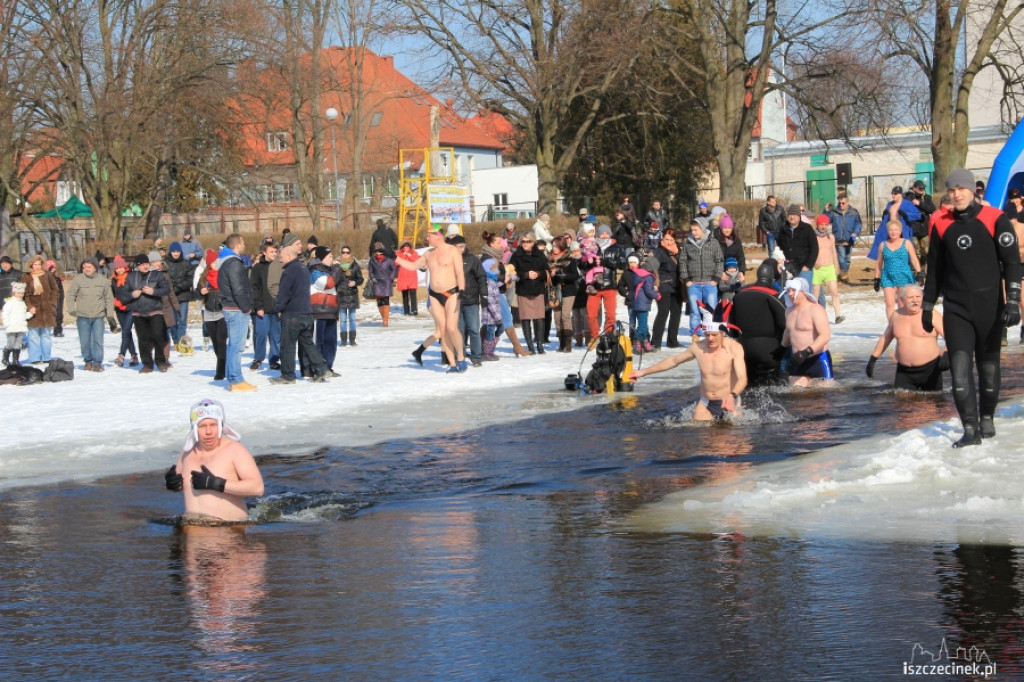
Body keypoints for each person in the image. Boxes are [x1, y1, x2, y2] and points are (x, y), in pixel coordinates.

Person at [922, 168, 1022, 447]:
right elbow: (935, 270)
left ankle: (987, 417)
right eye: (951, 190)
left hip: (990, 307)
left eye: (961, 189)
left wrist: (1013, 299)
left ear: (972, 191)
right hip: (956, 307)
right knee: (959, 368)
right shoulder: (941, 222)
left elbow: (1012, 262)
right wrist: (928, 305)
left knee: (989, 370)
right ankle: (969, 429)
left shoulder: (995, 219)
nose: (956, 195)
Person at [629, 310, 747, 421]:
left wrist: (732, 396)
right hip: (706, 403)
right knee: (700, 434)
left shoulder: (734, 348)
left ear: (722, 333)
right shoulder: (698, 347)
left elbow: (742, 379)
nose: (710, 339)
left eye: (714, 335)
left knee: (734, 436)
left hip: (729, 400)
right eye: (707, 335)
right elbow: (673, 361)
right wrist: (643, 372)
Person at [164, 399, 264, 523]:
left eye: (213, 425)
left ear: (221, 426)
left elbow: (257, 488)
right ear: (194, 428)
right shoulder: (187, 452)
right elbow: (182, 486)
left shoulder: (234, 450)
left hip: (230, 530)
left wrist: (217, 484)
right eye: (202, 426)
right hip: (192, 529)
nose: (208, 432)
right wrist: (173, 485)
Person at [396, 225, 468, 371]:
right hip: (435, 295)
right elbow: (412, 266)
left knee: (452, 328)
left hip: (452, 293)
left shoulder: (452, 250)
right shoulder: (429, 254)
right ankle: (452, 364)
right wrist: (395, 257)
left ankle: (460, 357)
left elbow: (460, 272)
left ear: (438, 235)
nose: (427, 238)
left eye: (429, 236)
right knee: (443, 330)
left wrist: (462, 290)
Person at [271, 238, 331, 384]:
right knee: (307, 343)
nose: (280, 259)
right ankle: (322, 369)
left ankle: (287, 375)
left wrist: (279, 308)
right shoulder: (304, 268)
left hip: (292, 314)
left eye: (282, 256)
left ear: (289, 256)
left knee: (287, 344)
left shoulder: (289, 271)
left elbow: (284, 293)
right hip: (306, 312)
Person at [866, 284, 947, 391]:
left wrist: (947, 354)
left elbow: (950, 337)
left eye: (918, 297)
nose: (915, 300)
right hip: (904, 372)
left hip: (930, 370)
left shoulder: (931, 314)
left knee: (930, 403)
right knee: (902, 404)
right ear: (902, 300)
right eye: (910, 298)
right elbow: (886, 337)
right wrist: (873, 358)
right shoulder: (896, 315)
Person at [730, 259, 787, 386]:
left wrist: (736, 340)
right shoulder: (773, 295)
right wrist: (783, 347)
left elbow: (731, 323)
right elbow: (784, 325)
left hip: (744, 347)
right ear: (771, 278)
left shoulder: (739, 294)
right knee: (772, 387)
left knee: (749, 386)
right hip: (768, 348)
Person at [215, 234, 257, 392]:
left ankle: (232, 377)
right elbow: (238, 288)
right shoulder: (233, 263)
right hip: (236, 308)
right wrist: (246, 307)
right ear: (238, 245)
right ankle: (236, 379)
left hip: (232, 307)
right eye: (243, 242)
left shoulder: (227, 262)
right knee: (237, 346)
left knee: (233, 345)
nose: (245, 244)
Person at [117, 253, 171, 373]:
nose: (145, 266)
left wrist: (154, 291)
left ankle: (161, 361)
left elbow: (166, 290)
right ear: (137, 266)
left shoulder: (157, 275)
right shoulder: (131, 277)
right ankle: (147, 364)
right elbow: (123, 295)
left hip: (155, 310)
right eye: (142, 265)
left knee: (158, 336)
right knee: (143, 339)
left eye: (146, 264)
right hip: (138, 312)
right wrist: (132, 294)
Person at [65, 257, 116, 371]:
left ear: (95, 267)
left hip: (98, 316)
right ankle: (88, 361)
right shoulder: (78, 279)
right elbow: (70, 295)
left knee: (98, 340)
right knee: (85, 341)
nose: (86, 269)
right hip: (83, 316)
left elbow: (109, 298)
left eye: (89, 267)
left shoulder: (102, 280)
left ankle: (97, 363)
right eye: (84, 267)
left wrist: (110, 315)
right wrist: (72, 309)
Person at [782, 278, 833, 387]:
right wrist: (781, 349)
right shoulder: (789, 311)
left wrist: (807, 352)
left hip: (817, 358)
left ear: (803, 292)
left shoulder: (815, 309)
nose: (790, 294)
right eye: (788, 291)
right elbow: (788, 331)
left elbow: (825, 335)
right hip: (798, 359)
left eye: (793, 290)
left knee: (824, 395)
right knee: (796, 397)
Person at [680, 220, 724, 335]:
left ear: (703, 230)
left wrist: (716, 278)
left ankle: (710, 334)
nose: (693, 232)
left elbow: (719, 261)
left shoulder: (713, 243)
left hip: (710, 283)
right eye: (692, 230)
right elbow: (683, 261)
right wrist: (686, 279)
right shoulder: (688, 244)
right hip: (693, 284)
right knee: (694, 312)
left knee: (710, 312)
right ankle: (695, 336)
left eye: (696, 230)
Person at [507, 232, 549, 354]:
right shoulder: (516, 255)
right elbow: (512, 272)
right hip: (523, 289)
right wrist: (525, 274)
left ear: (533, 242)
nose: (525, 244)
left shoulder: (540, 255)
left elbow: (547, 270)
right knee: (525, 318)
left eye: (528, 241)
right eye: (523, 241)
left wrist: (538, 274)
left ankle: (540, 345)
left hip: (538, 289)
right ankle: (530, 345)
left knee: (539, 317)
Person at [448, 235, 486, 366]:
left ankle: (476, 357)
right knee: (458, 330)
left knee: (474, 329)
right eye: (457, 246)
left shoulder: (472, 260)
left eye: (462, 246)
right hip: (454, 301)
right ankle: (460, 355)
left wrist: (484, 295)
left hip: (471, 300)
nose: (461, 248)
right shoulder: (448, 260)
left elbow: (481, 277)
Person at [874, 219, 922, 320]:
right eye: (891, 230)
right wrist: (877, 278)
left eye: (896, 230)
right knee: (890, 304)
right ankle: (892, 326)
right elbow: (879, 262)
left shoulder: (906, 243)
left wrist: (919, 273)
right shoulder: (883, 245)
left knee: (902, 305)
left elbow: (914, 258)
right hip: (888, 276)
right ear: (888, 231)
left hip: (904, 276)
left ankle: (902, 326)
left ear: (900, 231)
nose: (893, 232)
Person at [21, 255, 60, 364]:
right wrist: (29, 307)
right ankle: (35, 358)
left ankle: (46, 357)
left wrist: (52, 303)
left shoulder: (47, 275)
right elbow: (25, 295)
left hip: (47, 309)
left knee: (46, 335)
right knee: (33, 335)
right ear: (31, 265)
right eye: (35, 265)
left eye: (39, 264)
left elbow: (55, 290)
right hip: (34, 310)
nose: (37, 267)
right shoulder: (26, 277)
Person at [309, 246, 341, 375]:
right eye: (329, 257)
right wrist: (337, 269)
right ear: (322, 258)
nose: (332, 260)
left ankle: (328, 366)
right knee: (318, 342)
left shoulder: (330, 271)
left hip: (331, 311)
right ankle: (318, 367)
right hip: (319, 311)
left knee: (331, 342)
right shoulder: (315, 271)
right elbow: (328, 284)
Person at [195, 249, 227, 381]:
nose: (217, 263)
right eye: (214, 261)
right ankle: (224, 364)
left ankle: (221, 371)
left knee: (221, 341)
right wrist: (201, 292)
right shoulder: (204, 277)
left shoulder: (223, 275)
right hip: (209, 312)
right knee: (215, 343)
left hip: (222, 313)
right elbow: (196, 294)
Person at [868, 186, 923, 261]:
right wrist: (884, 215)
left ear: (900, 194)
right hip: (890, 232)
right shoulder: (890, 205)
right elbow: (885, 219)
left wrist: (906, 215)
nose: (893, 195)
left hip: (902, 233)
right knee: (889, 251)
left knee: (904, 252)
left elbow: (918, 215)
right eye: (892, 193)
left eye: (895, 194)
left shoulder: (907, 204)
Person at [249, 242, 281, 370]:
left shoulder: (280, 266)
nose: (274, 254)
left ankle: (274, 359)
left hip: (277, 308)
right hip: (263, 308)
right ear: (264, 252)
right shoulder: (257, 268)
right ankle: (258, 358)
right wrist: (259, 306)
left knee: (276, 336)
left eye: (275, 252)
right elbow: (254, 288)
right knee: (260, 333)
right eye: (271, 252)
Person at [650, 229, 681, 351]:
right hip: (664, 285)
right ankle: (655, 342)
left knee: (676, 313)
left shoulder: (678, 251)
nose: (668, 242)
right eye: (666, 239)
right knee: (663, 312)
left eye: (671, 240)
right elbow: (652, 267)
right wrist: (656, 282)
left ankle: (672, 341)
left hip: (677, 285)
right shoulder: (659, 251)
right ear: (662, 239)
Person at [622, 255, 659, 353]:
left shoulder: (637, 274)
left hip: (636, 302)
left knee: (643, 324)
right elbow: (648, 291)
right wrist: (657, 295)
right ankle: (637, 342)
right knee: (642, 325)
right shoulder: (647, 277)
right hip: (642, 304)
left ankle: (645, 343)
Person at [777, 204, 818, 290]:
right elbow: (779, 247)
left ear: (799, 216)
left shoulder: (807, 229)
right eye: (790, 215)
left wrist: (808, 265)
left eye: (794, 215)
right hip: (788, 268)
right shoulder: (783, 229)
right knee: (788, 293)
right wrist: (780, 260)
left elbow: (814, 248)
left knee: (805, 294)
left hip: (804, 268)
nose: (792, 217)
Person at [812, 213, 844, 324]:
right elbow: (810, 252)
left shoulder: (830, 237)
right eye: (821, 224)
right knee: (815, 295)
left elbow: (834, 252)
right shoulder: (813, 237)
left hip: (829, 268)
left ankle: (838, 315)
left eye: (825, 224)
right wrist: (814, 262)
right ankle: (814, 316)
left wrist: (837, 267)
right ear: (817, 224)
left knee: (834, 292)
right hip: (817, 269)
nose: (823, 227)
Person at [109, 256, 139, 367]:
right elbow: (113, 293)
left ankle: (121, 355)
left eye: (121, 267)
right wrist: (114, 301)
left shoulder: (131, 277)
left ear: (124, 267)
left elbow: (134, 293)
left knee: (125, 331)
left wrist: (123, 300)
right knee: (127, 333)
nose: (119, 270)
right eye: (117, 268)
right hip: (119, 309)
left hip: (130, 308)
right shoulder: (113, 280)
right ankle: (134, 355)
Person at [165, 242, 197, 345]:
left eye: (178, 251)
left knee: (182, 320)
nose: (176, 253)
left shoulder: (186, 264)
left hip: (183, 295)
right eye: (174, 252)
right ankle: (175, 340)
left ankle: (181, 341)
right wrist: (171, 289)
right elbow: (162, 278)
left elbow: (189, 279)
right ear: (170, 252)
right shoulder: (165, 264)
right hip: (170, 296)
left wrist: (179, 287)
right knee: (172, 321)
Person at [828, 196, 862, 281]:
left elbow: (858, 223)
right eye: (839, 203)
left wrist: (855, 232)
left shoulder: (853, 213)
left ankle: (845, 273)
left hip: (849, 238)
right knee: (841, 257)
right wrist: (826, 210)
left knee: (847, 258)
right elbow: (826, 220)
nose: (841, 205)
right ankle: (844, 273)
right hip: (838, 239)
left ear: (848, 203)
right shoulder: (834, 212)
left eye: (843, 203)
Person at [336, 245, 364, 347]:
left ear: (350, 254)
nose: (345, 254)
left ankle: (352, 340)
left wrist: (354, 283)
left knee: (352, 318)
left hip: (352, 295)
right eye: (343, 252)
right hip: (341, 295)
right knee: (343, 319)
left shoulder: (354, 265)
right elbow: (334, 280)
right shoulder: (337, 265)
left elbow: (360, 279)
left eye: (347, 252)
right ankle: (343, 340)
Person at [368, 242, 398, 327]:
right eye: (376, 251)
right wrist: (372, 277)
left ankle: (385, 320)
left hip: (386, 282)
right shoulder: (372, 259)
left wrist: (391, 278)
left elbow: (394, 269)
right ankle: (383, 317)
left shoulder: (388, 260)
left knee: (385, 300)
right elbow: (370, 270)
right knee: (379, 301)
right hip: (377, 282)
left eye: (379, 251)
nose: (378, 253)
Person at [906, 180, 936, 262]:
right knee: (915, 253)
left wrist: (920, 204)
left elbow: (932, 210)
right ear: (914, 188)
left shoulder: (927, 198)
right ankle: (916, 272)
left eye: (923, 188)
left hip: (924, 230)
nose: (922, 190)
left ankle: (923, 271)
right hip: (913, 230)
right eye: (920, 188)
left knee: (926, 252)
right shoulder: (908, 198)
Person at [2, 282, 31, 366]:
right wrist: (7, 324)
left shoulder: (22, 303)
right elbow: (5, 314)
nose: (20, 295)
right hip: (11, 327)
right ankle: (5, 358)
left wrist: (30, 314)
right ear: (14, 293)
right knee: (10, 343)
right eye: (18, 293)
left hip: (21, 327)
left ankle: (15, 360)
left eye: (22, 293)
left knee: (18, 344)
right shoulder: (10, 303)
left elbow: (23, 315)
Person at [396, 242, 420, 316]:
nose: (406, 247)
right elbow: (396, 263)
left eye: (407, 246)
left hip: (412, 276)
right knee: (405, 295)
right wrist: (403, 255)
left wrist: (409, 255)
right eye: (404, 246)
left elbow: (417, 261)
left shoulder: (414, 253)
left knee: (413, 293)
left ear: (410, 247)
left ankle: (414, 309)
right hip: (403, 277)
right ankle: (406, 311)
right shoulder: (399, 254)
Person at [0, 255, 22, 325]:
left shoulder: (18, 273)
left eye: (6, 263)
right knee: (5, 326)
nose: (4, 265)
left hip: (16, 304)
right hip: (2, 304)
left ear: (10, 264)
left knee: (17, 324)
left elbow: (23, 287)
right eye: (3, 264)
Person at [45, 260, 65, 337]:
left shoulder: (57, 278)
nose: (54, 269)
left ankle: (58, 330)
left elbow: (60, 290)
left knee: (59, 314)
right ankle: (45, 330)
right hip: (49, 298)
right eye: (51, 268)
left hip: (58, 298)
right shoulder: (45, 278)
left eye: (54, 268)